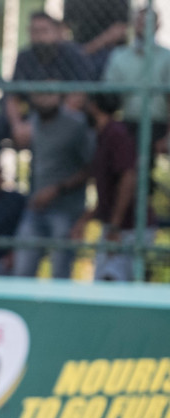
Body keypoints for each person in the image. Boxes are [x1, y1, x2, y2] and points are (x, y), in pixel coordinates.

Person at [0, 11, 92, 156]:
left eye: (44, 31)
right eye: (34, 31)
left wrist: (44, 124)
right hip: (29, 116)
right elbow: (12, 96)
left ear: (57, 32)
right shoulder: (25, 57)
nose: (39, 36)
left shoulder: (72, 55)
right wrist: (17, 125)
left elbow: (79, 95)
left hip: (61, 117)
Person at [11, 88, 93, 279]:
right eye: (39, 94)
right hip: (35, 208)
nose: (43, 99)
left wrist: (58, 189)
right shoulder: (34, 122)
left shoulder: (76, 124)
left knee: (60, 274)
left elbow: (90, 167)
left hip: (66, 211)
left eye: (49, 94)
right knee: (22, 271)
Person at [75, 93, 147, 282]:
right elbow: (108, 193)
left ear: (95, 107)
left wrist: (115, 226)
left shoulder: (116, 133)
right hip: (115, 227)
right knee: (103, 282)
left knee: (111, 282)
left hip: (128, 228)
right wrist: (85, 219)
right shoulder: (103, 135)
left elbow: (129, 178)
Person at [103, 7, 170, 152]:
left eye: (148, 21)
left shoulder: (167, 57)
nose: (143, 24)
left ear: (158, 25)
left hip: (158, 122)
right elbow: (109, 92)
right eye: (139, 21)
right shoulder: (119, 55)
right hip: (128, 120)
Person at [62, 0, 130, 78]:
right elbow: (65, 26)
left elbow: (120, 28)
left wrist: (90, 48)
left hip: (110, 52)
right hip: (79, 50)